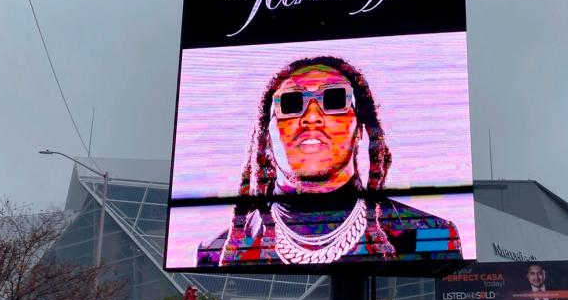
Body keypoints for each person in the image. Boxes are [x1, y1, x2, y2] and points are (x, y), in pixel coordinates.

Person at [197, 55, 462, 266]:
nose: (312, 117)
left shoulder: (430, 236)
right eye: (291, 103)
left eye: (334, 99)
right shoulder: (219, 252)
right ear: (267, 136)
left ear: (360, 129)